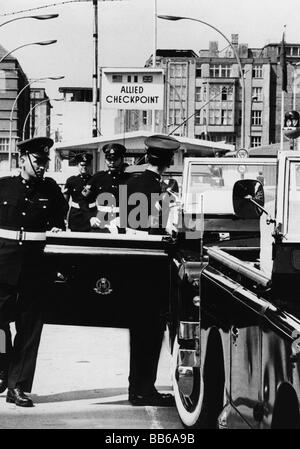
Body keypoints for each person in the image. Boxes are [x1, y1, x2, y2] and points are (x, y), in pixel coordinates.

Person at [0, 137, 67, 407]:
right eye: (38, 161)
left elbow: (60, 222)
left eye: (45, 162)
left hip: (35, 266)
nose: (43, 166)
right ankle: (4, 366)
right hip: (3, 264)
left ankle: (18, 386)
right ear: (22, 159)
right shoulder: (3, 186)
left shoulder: (50, 189)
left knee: (30, 327)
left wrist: (57, 229)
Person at [125, 134, 180, 406]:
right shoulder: (162, 188)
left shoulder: (134, 183)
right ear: (169, 160)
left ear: (148, 156)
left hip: (136, 266)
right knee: (151, 330)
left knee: (141, 331)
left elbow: (127, 225)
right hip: (154, 266)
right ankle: (143, 389)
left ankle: (138, 387)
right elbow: (168, 228)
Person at [82, 142, 130, 231]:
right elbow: (84, 200)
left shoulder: (129, 179)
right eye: (109, 159)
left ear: (122, 159)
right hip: (101, 225)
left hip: (122, 225)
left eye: (115, 159)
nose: (112, 162)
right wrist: (91, 217)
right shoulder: (98, 177)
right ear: (105, 159)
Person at [63, 152, 93, 231]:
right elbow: (65, 202)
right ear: (77, 165)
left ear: (90, 165)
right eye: (82, 165)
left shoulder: (94, 180)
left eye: (86, 165)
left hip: (90, 215)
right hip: (75, 215)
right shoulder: (71, 180)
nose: (84, 167)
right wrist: (63, 218)